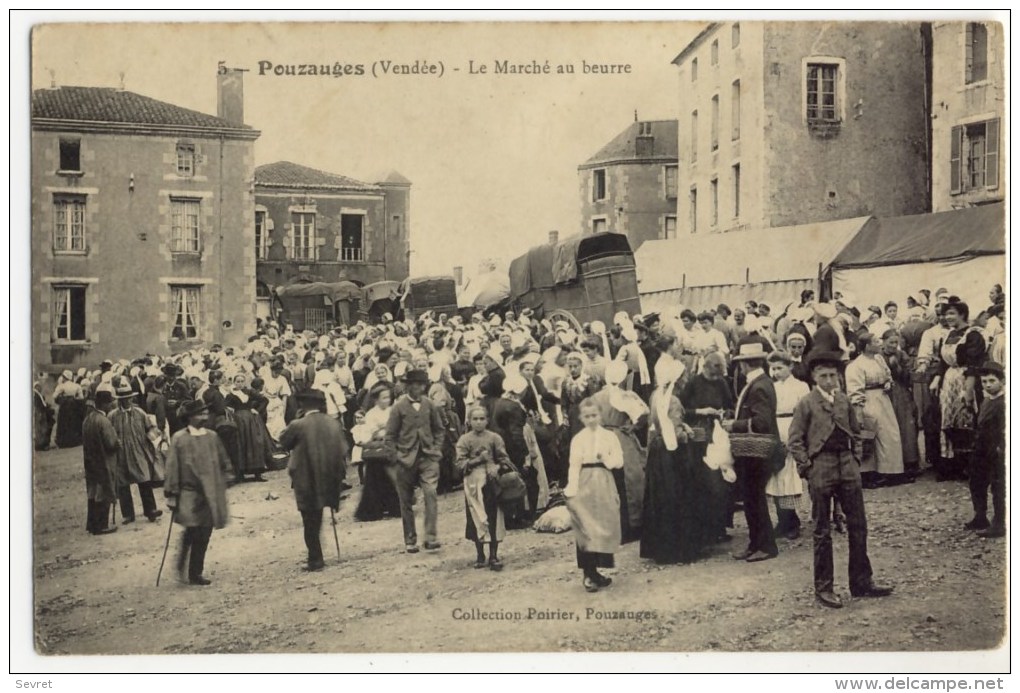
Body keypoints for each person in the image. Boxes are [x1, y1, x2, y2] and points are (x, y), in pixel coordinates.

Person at [788, 350, 894, 609]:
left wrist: (855, 459)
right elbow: (794, 440)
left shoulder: (844, 401)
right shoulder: (806, 404)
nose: (828, 380)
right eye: (823, 376)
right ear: (813, 377)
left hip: (846, 464)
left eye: (832, 376)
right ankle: (824, 588)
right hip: (821, 465)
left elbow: (857, 433)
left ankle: (861, 582)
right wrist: (807, 467)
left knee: (858, 524)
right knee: (822, 529)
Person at [641, 356, 704, 565]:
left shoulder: (655, 395)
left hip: (657, 451)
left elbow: (658, 424)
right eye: (683, 376)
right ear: (677, 379)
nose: (686, 379)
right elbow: (675, 433)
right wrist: (688, 433)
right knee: (678, 494)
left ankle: (662, 548)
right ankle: (682, 547)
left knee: (660, 497)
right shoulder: (674, 401)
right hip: (672, 454)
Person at [722, 342, 779, 563]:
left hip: (757, 453)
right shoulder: (759, 383)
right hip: (753, 453)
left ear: (745, 364)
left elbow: (762, 422)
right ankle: (756, 543)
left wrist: (735, 425)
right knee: (751, 499)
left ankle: (766, 545)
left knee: (755, 499)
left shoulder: (759, 386)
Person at [164, 399, 231, 586]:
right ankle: (181, 565)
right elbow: (172, 467)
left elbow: (223, 459)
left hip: (210, 493)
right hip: (189, 493)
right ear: (190, 417)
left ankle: (196, 573)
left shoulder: (212, 436)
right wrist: (171, 493)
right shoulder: (179, 439)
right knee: (192, 530)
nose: (205, 417)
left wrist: (227, 475)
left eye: (205, 413)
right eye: (200, 414)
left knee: (205, 532)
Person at [280, 389, 349, 572]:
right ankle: (316, 556)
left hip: (306, 476)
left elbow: (283, 442)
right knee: (320, 511)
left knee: (310, 519)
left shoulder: (298, 424)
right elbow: (343, 450)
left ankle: (315, 558)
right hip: (329, 476)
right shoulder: (333, 424)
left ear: (302, 405)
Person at [564, 398, 624, 593]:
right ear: (582, 418)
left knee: (604, 524)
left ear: (600, 415)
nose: (591, 419)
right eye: (587, 416)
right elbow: (574, 465)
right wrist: (572, 488)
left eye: (594, 415)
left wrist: (606, 459)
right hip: (585, 481)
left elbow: (619, 461)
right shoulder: (578, 439)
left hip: (604, 480)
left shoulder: (610, 436)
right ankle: (588, 573)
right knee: (585, 526)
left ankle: (598, 570)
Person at [385, 368, 446, 553]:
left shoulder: (429, 404)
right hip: (405, 459)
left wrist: (436, 449)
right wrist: (395, 458)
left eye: (422, 384)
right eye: (416, 384)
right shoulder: (398, 407)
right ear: (408, 386)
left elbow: (439, 429)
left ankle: (431, 536)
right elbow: (390, 436)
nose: (419, 388)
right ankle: (410, 539)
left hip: (428, 457)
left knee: (430, 493)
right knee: (406, 501)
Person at [589, 361, 648, 543]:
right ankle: (631, 525)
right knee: (630, 480)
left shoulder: (597, 397)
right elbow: (645, 413)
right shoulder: (626, 395)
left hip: (601, 437)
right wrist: (633, 426)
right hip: (621, 438)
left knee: (608, 481)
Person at [680, 351, 735, 543]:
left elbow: (730, 405)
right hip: (699, 438)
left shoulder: (721, 383)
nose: (715, 378)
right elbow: (681, 410)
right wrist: (701, 411)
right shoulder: (693, 383)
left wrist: (725, 413)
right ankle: (703, 529)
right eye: (712, 374)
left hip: (718, 436)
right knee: (702, 480)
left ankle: (719, 527)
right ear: (704, 367)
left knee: (720, 481)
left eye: (717, 375)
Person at [931, 298, 986, 482]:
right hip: (949, 382)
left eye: (952, 313)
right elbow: (942, 361)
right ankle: (952, 465)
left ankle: (971, 466)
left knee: (968, 419)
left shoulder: (973, 335)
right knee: (949, 420)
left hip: (966, 380)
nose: (948, 317)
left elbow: (974, 364)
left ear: (962, 314)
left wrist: (969, 389)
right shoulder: (947, 335)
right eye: (946, 314)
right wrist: (937, 378)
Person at [846, 333, 905, 488]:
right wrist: (858, 411)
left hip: (883, 400)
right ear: (867, 346)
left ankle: (890, 471)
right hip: (868, 400)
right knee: (869, 436)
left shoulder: (878, 359)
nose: (879, 344)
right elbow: (854, 390)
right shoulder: (856, 365)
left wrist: (888, 383)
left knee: (889, 435)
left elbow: (887, 375)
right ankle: (867, 475)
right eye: (876, 342)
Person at [455, 406, 509, 571]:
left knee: (493, 516)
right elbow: (459, 463)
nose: (478, 422)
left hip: (492, 482)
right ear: (469, 421)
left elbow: (504, 458)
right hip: (472, 483)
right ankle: (480, 554)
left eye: (482, 419)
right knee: (476, 517)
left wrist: (498, 467)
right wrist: (477, 460)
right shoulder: (464, 440)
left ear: (487, 420)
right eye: (475, 419)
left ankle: (493, 554)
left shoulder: (494, 438)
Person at [765, 351, 810, 540]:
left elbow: (805, 412)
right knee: (775, 477)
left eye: (780, 368)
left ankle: (792, 521)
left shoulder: (800, 386)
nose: (776, 372)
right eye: (773, 368)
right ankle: (781, 520)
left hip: (792, 427)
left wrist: (799, 435)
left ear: (790, 367)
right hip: (775, 428)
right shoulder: (771, 387)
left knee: (789, 478)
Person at [109, 381, 164, 524]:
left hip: (138, 450)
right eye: (123, 399)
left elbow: (152, 428)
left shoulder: (140, 413)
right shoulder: (113, 415)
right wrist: (113, 443)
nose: (126, 401)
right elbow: (109, 433)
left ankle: (150, 510)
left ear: (132, 398)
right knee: (123, 483)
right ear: (119, 400)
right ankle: (128, 514)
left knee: (144, 479)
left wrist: (151, 437)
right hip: (121, 452)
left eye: (128, 398)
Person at [353, 384, 402, 522]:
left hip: (390, 448)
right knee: (375, 481)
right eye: (384, 398)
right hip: (377, 452)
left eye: (388, 397)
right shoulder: (371, 414)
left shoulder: (392, 410)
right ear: (376, 400)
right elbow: (370, 433)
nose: (387, 400)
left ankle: (394, 507)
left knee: (393, 479)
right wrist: (382, 431)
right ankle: (374, 509)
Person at [880, 329, 921, 478]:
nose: (893, 345)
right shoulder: (878, 355)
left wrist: (897, 367)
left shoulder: (901, 355)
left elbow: (909, 376)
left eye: (896, 342)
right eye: (890, 342)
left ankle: (909, 462)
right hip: (885, 392)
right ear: (883, 341)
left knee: (905, 427)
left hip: (900, 392)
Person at [972, 362, 1005, 538]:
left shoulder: (1004, 402)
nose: (988, 384)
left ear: (1002, 381)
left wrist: (1001, 447)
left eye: (992, 380)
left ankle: (1000, 522)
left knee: (998, 485)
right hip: (982, 447)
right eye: (984, 381)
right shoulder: (986, 400)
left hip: (997, 449)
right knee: (977, 481)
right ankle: (980, 516)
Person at [82, 390, 120, 535]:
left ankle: (91, 524)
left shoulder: (88, 418)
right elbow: (110, 443)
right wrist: (117, 443)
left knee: (92, 493)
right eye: (110, 402)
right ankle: (101, 525)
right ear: (104, 404)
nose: (112, 405)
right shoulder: (103, 421)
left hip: (90, 461)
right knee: (104, 492)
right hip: (103, 461)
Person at [225, 373, 272, 483]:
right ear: (234, 382)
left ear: (245, 382)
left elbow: (264, 400)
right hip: (239, 421)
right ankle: (240, 474)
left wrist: (257, 410)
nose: (240, 384)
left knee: (255, 443)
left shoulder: (250, 392)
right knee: (241, 444)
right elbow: (226, 407)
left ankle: (257, 473)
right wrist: (231, 413)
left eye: (242, 381)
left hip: (251, 421)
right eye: (238, 381)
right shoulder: (230, 395)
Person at [53, 370, 86, 448]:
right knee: (73, 422)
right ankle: (73, 441)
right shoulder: (77, 386)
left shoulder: (61, 386)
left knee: (63, 423)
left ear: (65, 377)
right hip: (74, 405)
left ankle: (63, 441)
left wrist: (61, 398)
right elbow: (81, 398)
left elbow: (54, 396)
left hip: (64, 406)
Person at [34, 374, 55, 451]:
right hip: (41, 414)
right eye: (39, 387)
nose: (41, 389)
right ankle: (43, 444)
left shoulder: (36, 394)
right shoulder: (37, 394)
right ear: (37, 387)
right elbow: (44, 406)